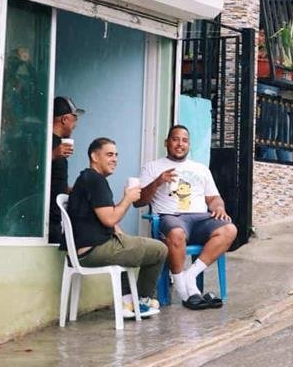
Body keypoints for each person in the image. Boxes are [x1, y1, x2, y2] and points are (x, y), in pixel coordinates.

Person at [137, 125, 237, 310]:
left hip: (200, 220)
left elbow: (213, 198)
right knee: (176, 233)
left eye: (184, 140)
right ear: (166, 142)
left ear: (189, 144)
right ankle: (184, 292)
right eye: (175, 139)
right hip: (172, 218)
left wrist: (219, 207)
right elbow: (139, 201)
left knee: (229, 229)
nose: (180, 144)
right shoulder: (152, 167)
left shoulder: (200, 169)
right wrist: (158, 182)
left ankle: (190, 276)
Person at [65, 137, 167, 318]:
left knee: (129, 248)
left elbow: (110, 222)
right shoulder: (95, 180)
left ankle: (127, 302)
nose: (115, 159)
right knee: (159, 250)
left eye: (116, 155)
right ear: (94, 156)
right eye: (109, 155)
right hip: (93, 251)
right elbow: (109, 219)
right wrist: (128, 198)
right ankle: (142, 301)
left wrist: (124, 238)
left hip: (91, 247)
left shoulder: (89, 178)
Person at [49, 96, 84, 244]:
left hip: (55, 216)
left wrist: (73, 190)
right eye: (74, 118)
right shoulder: (45, 141)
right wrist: (53, 154)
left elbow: (55, 179)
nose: (76, 124)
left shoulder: (59, 143)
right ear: (65, 119)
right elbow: (31, 167)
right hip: (45, 217)